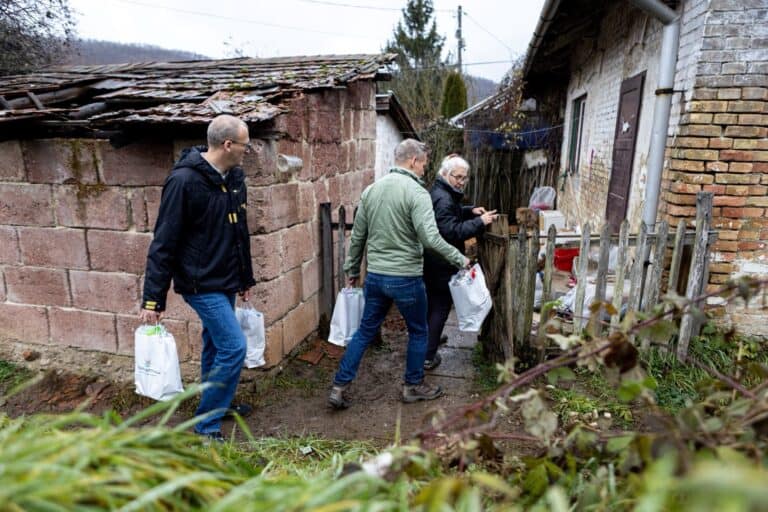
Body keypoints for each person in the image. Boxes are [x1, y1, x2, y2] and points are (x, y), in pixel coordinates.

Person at [139, 114, 256, 441]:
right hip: (199, 282)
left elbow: (239, 232)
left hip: (226, 277)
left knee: (215, 344)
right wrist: (153, 300)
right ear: (228, 144)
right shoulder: (184, 182)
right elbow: (164, 242)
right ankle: (206, 425)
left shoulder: (234, 177)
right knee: (234, 347)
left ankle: (217, 404)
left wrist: (245, 278)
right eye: (245, 145)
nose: (247, 151)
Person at [328, 139, 470, 409]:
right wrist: (459, 258)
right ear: (414, 161)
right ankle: (412, 386)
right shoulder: (417, 193)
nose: (424, 169)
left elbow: (358, 236)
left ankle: (339, 386)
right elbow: (431, 238)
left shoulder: (371, 190)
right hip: (406, 278)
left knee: (364, 331)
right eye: (424, 164)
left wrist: (352, 269)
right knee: (419, 331)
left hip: (376, 277)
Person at [423, 155, 497, 370]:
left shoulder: (441, 192)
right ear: (445, 174)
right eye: (458, 177)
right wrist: (479, 222)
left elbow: (450, 215)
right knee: (441, 306)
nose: (462, 182)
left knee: (432, 304)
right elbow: (451, 231)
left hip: (433, 259)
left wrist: (469, 210)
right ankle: (428, 356)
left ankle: (430, 340)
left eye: (464, 178)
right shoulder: (444, 198)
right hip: (441, 262)